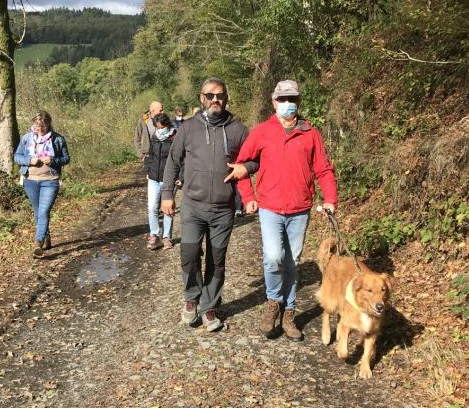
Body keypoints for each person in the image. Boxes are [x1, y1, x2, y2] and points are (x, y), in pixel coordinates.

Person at [234, 80, 338, 341]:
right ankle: (273, 303)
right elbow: (241, 166)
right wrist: (248, 197)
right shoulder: (261, 132)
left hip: (299, 209)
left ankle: (289, 311)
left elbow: (323, 170)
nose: (287, 104)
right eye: (282, 99)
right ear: (274, 102)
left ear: (298, 102)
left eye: (292, 99)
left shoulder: (310, 133)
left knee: (292, 262)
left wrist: (330, 199)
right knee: (273, 257)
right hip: (269, 207)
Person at [161, 77, 257, 332]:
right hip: (193, 205)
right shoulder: (189, 127)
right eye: (211, 95)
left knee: (217, 259)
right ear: (201, 98)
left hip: (223, 210)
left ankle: (210, 306)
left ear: (226, 98)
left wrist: (244, 167)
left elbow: (255, 159)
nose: (216, 100)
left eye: (221, 95)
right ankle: (191, 299)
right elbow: (173, 161)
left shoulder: (238, 129)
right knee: (189, 255)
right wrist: (167, 195)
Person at [14, 110, 71, 259]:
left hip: (50, 180)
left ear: (49, 124)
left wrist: (53, 161)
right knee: (38, 212)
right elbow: (17, 156)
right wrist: (29, 160)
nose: (40, 130)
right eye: (37, 127)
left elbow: (66, 158)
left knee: (44, 211)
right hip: (30, 181)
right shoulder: (26, 138)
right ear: (33, 124)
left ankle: (38, 243)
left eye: (43, 127)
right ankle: (46, 237)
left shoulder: (58, 139)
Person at [144, 112, 177, 251]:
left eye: (161, 127)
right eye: (157, 127)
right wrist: (148, 169)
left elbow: (180, 158)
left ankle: (166, 237)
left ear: (166, 124)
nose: (159, 130)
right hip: (153, 178)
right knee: (152, 207)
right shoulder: (155, 137)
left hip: (168, 179)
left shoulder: (175, 137)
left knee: (167, 209)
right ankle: (154, 235)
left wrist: (180, 177)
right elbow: (150, 155)